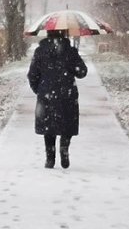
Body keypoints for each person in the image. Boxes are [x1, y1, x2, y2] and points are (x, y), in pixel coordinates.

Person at [27, 30, 88, 169]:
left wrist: (40, 90)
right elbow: (82, 72)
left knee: (49, 126)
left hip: (46, 95)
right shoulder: (70, 51)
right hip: (67, 94)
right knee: (66, 123)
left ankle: (50, 157)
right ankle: (64, 148)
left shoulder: (40, 51)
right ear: (64, 34)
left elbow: (32, 75)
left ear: (48, 33)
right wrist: (74, 59)